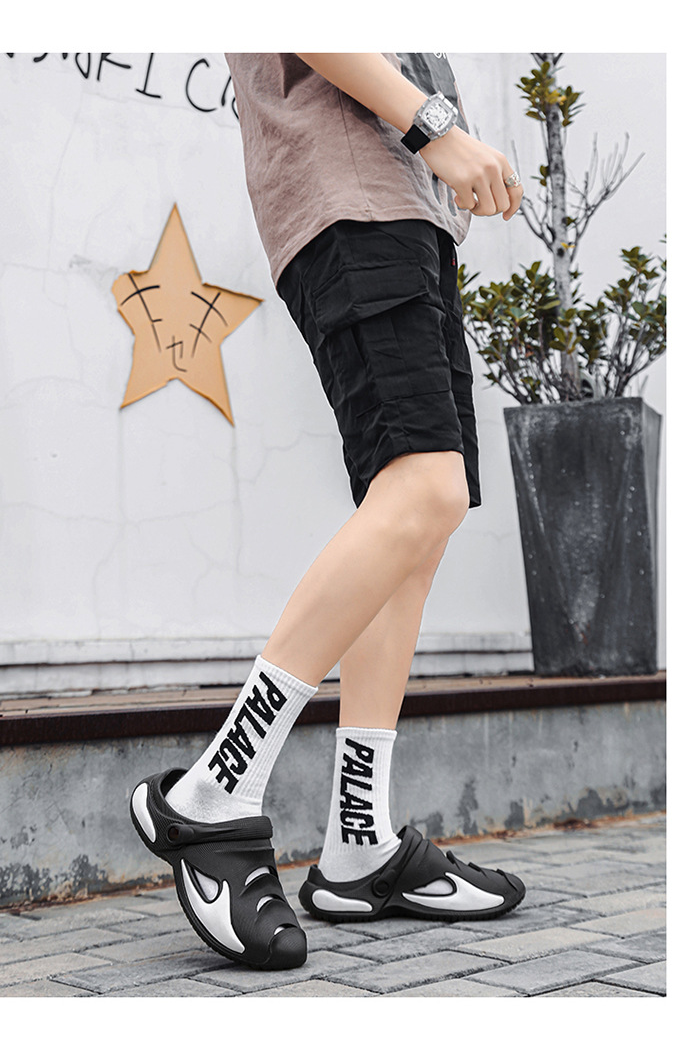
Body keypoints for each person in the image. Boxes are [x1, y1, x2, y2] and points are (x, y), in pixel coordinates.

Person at [129, 52, 526, 972]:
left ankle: (359, 842)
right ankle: (213, 792)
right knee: (423, 488)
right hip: (353, 195)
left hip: (409, 208)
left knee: (420, 519)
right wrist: (435, 126)